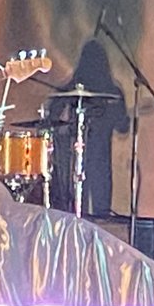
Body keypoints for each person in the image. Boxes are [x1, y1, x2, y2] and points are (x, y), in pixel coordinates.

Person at [50, 39, 128, 215]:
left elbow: (52, 118)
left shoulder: (69, 90)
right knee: (101, 206)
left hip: (75, 158)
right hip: (96, 159)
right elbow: (123, 127)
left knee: (77, 205)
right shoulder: (113, 91)